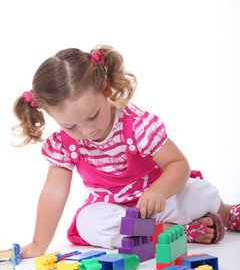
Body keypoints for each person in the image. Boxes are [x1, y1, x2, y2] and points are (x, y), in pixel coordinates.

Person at [12, 45, 239, 259]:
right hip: (116, 211)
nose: (87, 131)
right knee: (88, 223)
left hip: (158, 201)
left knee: (199, 193)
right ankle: (175, 232)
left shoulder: (136, 125)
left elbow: (178, 164)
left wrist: (159, 191)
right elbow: (54, 192)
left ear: (106, 90)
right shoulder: (63, 144)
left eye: (93, 116)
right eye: (70, 126)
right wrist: (38, 243)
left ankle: (227, 214)